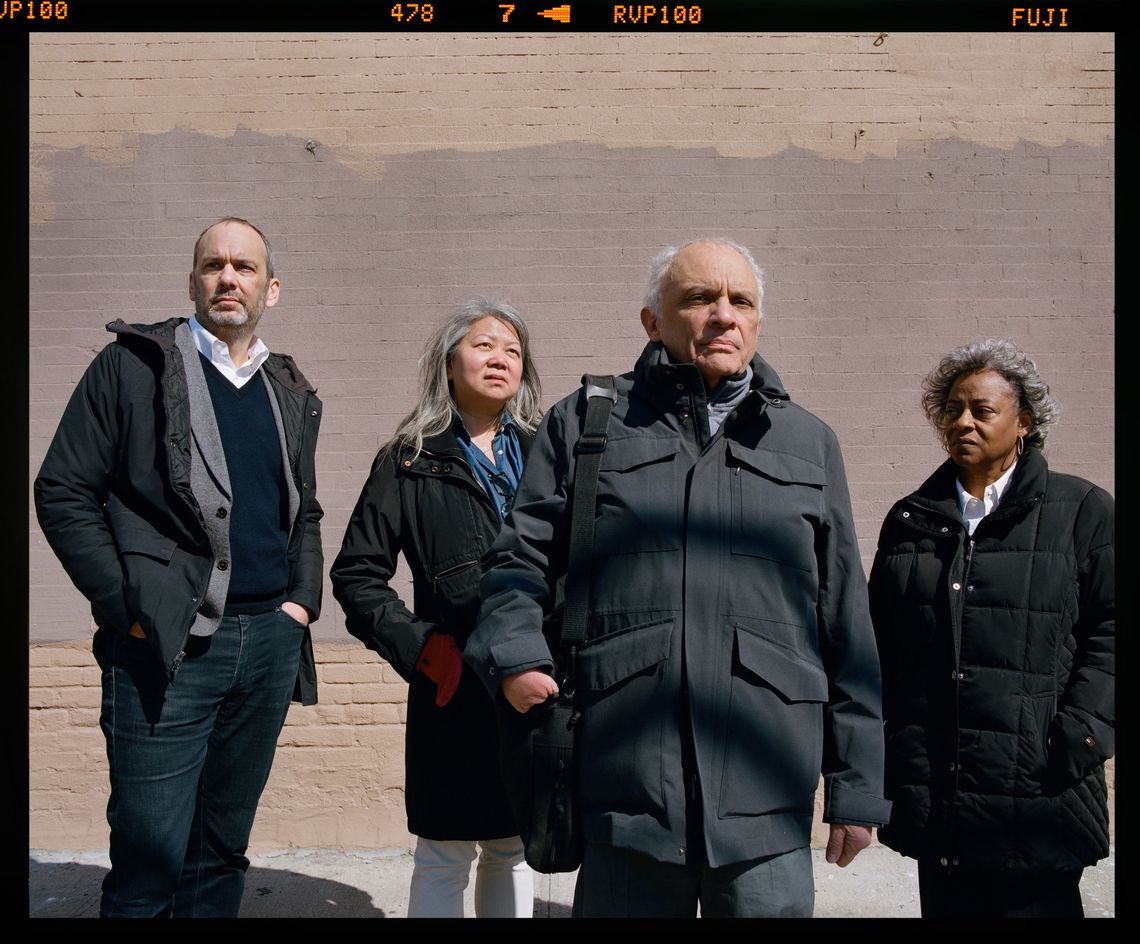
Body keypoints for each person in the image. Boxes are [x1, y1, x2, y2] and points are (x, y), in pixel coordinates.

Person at [464, 239, 891, 918]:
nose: (723, 315)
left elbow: (845, 623)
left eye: (740, 301)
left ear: (757, 321)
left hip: (766, 792)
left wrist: (857, 787)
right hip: (625, 780)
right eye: (699, 298)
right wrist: (515, 657)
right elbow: (517, 562)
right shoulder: (586, 422)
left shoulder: (808, 443)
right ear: (652, 321)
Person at [34, 217, 324, 918]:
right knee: (149, 867)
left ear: (271, 289)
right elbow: (62, 489)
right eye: (214, 265)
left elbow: (304, 510)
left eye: (245, 267)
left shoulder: (286, 387)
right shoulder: (133, 365)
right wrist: (125, 605)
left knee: (220, 855)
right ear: (191, 282)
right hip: (165, 649)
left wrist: (301, 604)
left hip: (268, 644)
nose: (229, 278)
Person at [868, 339, 1114, 918]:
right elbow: (881, 646)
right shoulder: (911, 519)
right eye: (952, 409)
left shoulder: (1081, 513)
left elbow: (1112, 631)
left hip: (1038, 793)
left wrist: (1080, 734)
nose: (963, 422)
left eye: (982, 410)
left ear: (1024, 421)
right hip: (940, 792)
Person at [330, 298, 543, 918]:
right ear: (449, 364)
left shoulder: (547, 453)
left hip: (532, 679)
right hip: (452, 682)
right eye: (483, 345)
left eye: (512, 349)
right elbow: (357, 575)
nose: (500, 358)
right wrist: (425, 650)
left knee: (514, 846)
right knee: (445, 850)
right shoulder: (408, 459)